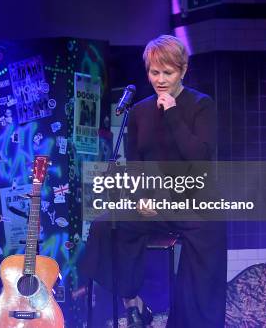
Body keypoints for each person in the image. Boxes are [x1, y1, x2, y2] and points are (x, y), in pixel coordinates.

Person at [82, 35, 227, 327]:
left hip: (194, 202)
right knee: (104, 225)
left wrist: (172, 113)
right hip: (155, 201)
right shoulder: (139, 112)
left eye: (168, 73)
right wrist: (141, 198)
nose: (160, 80)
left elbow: (199, 158)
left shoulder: (201, 105)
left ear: (183, 71)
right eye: (154, 72)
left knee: (208, 237)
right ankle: (131, 300)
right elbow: (136, 166)